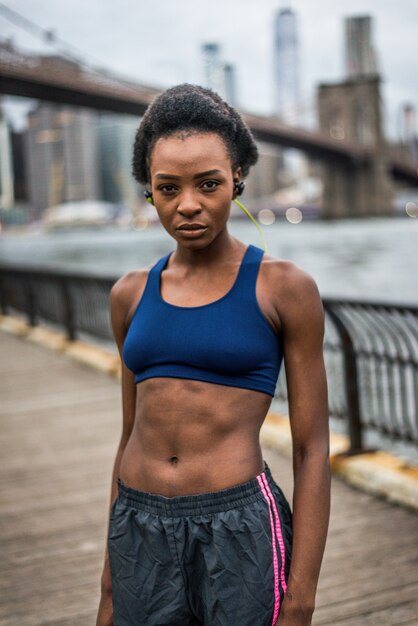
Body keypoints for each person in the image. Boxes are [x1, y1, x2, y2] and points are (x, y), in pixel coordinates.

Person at [96, 83, 331, 626]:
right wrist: (111, 580)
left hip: (239, 528)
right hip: (138, 525)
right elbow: (129, 432)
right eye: (168, 188)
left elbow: (312, 448)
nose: (189, 205)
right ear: (150, 192)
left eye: (209, 184)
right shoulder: (129, 294)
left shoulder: (283, 288)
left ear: (237, 179)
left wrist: (301, 597)